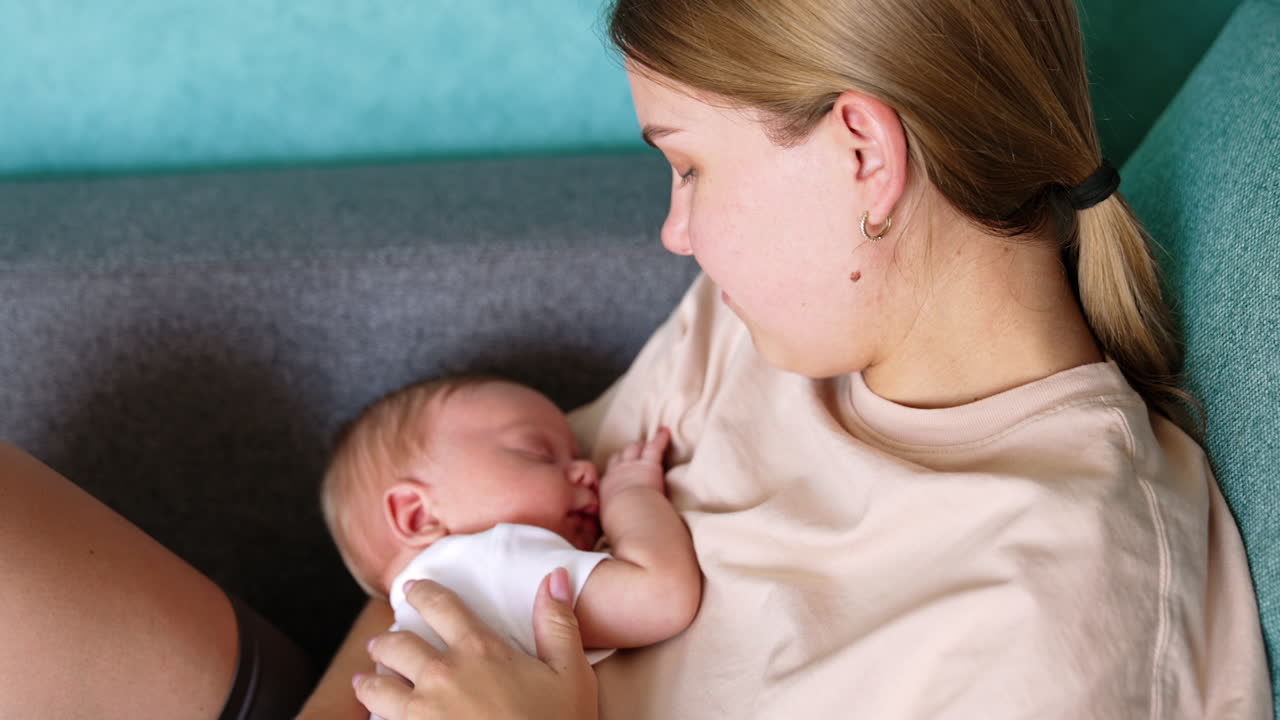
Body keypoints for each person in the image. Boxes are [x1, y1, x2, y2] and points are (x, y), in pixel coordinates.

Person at [0, 0, 1270, 719]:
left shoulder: (1052, 614)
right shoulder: (766, 329)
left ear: (863, 154)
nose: (673, 230)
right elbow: (443, 572)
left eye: (688, 164)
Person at [318, 373, 699, 684]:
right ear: (418, 516)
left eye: (578, 456)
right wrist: (631, 494)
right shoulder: (483, 563)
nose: (587, 471)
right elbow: (662, 594)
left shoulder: (417, 627)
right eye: (539, 454)